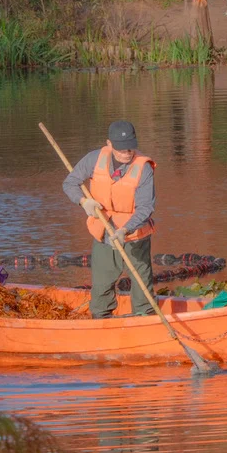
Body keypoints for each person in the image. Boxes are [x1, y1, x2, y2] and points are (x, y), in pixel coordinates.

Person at [62, 120, 156, 319]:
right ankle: (101, 319)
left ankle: (144, 317)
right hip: (103, 232)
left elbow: (146, 207)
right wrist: (83, 201)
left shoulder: (143, 168)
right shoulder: (94, 159)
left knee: (141, 283)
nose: (127, 152)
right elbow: (70, 183)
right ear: (109, 144)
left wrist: (124, 230)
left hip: (134, 236)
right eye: (121, 149)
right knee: (102, 283)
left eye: (130, 147)